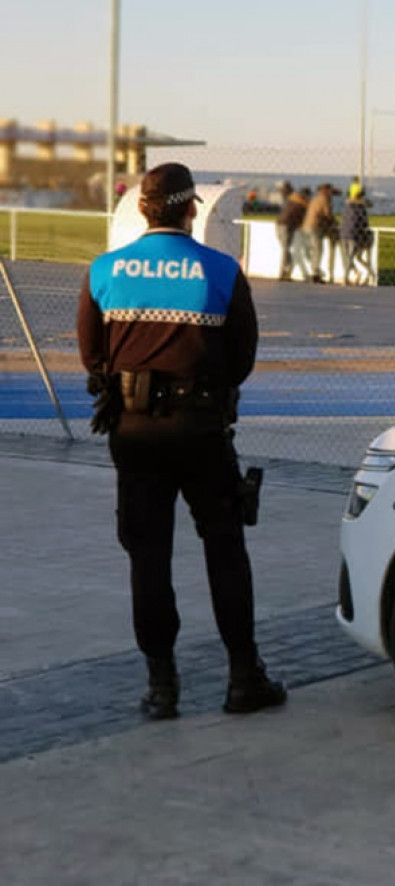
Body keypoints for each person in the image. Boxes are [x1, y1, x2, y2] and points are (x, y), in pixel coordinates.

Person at [75, 162, 287, 721]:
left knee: (148, 557)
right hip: (202, 432)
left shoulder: (105, 271)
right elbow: (241, 359)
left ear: (142, 209)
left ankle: (162, 685)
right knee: (224, 550)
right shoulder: (219, 271)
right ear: (191, 209)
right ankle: (244, 677)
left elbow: (92, 356)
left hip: (135, 433)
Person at [340, 183, 374, 285]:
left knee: (348, 257)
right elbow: (364, 222)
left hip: (346, 233)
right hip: (353, 234)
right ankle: (360, 273)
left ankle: (348, 277)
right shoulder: (360, 207)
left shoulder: (348, 205)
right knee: (350, 257)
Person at [302, 183, 336, 283]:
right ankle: (315, 273)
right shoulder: (324, 199)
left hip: (307, 226)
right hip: (315, 227)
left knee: (313, 250)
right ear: (327, 190)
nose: (331, 194)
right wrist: (334, 222)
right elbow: (328, 214)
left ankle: (314, 270)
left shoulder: (316, 198)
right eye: (331, 191)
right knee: (318, 250)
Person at [274, 182, 305, 281]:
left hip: (279, 224)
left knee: (285, 249)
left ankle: (286, 270)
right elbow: (301, 216)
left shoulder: (291, 200)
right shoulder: (301, 202)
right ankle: (283, 272)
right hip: (287, 226)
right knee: (285, 249)